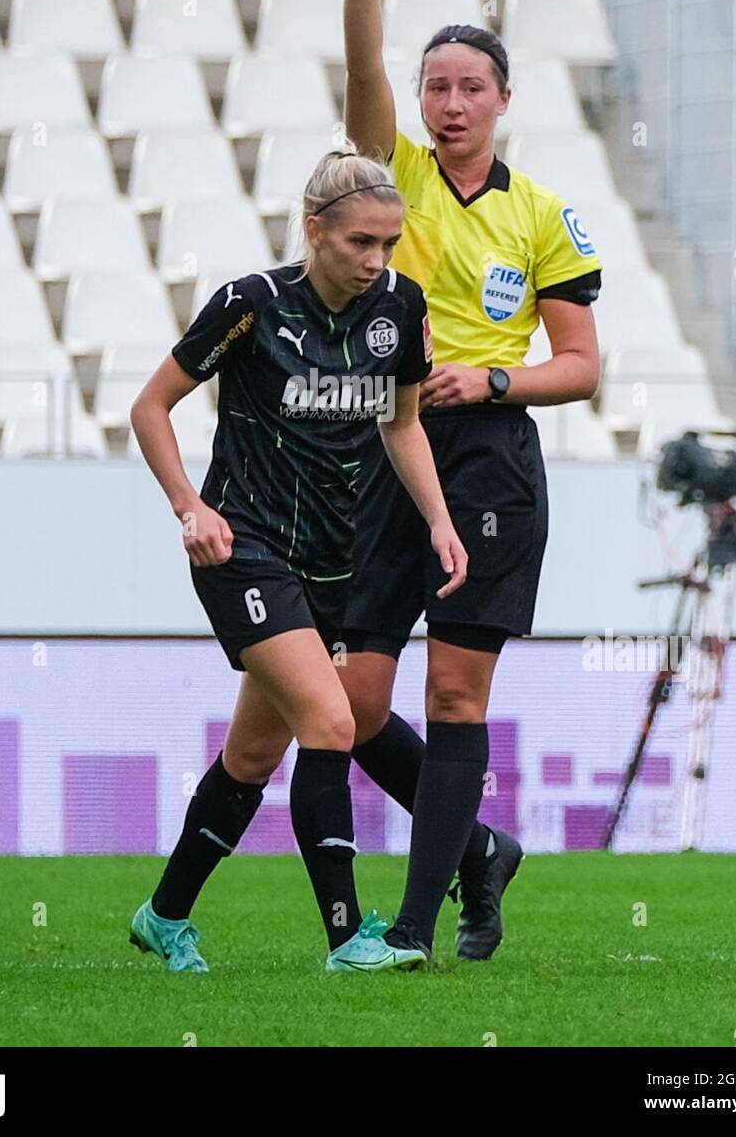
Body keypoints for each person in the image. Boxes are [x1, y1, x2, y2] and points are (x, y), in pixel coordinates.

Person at [330, 0, 604, 962]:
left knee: (453, 684)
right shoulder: (392, 174)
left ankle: (412, 925)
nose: (447, 102)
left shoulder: (543, 213)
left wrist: (491, 380)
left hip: (488, 458)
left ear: (501, 100)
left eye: (468, 86)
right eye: (433, 84)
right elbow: (360, 72)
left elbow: (580, 367)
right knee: (350, 703)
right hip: (387, 449)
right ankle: (480, 853)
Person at [127, 144, 467, 974]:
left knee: (251, 757)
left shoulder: (398, 308)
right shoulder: (249, 306)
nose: (376, 260)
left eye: (387, 242)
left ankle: (163, 916)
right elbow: (151, 406)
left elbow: (400, 423)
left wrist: (439, 521)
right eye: (360, 242)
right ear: (314, 231)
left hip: (331, 563)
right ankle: (348, 938)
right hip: (243, 550)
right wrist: (190, 508)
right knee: (332, 721)